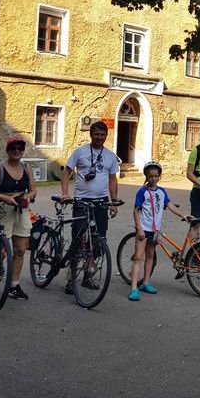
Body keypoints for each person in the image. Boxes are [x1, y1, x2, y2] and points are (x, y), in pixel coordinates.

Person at [61, 120, 119, 294]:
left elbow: (112, 179)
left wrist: (114, 201)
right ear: (91, 135)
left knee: (98, 241)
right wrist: (65, 193)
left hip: (101, 202)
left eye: (102, 135)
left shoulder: (110, 156)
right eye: (97, 134)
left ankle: (87, 276)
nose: (99, 137)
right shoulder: (81, 151)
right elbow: (66, 172)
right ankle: (71, 279)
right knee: (78, 240)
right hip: (81, 201)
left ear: (106, 136)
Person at [0, 135, 38, 301]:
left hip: (21, 208)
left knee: (20, 249)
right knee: (1, 250)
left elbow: (33, 190)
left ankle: (14, 285)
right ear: (8, 151)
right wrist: (2, 197)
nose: (17, 151)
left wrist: (28, 196)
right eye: (13, 148)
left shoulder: (26, 168)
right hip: (3, 208)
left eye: (20, 148)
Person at [128, 161, 186, 301]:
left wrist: (183, 214)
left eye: (156, 176)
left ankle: (146, 282)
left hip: (155, 231)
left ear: (159, 176)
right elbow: (136, 211)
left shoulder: (161, 191)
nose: (153, 178)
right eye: (150, 176)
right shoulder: (142, 192)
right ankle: (134, 288)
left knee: (150, 256)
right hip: (144, 230)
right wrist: (139, 228)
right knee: (138, 258)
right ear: (146, 177)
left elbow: (169, 205)